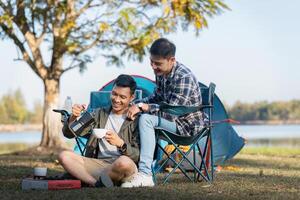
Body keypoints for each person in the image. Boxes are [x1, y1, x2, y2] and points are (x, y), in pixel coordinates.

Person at [123, 38, 205, 187]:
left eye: (158, 63)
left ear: (171, 60)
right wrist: (132, 104)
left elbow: (173, 110)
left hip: (187, 127)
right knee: (136, 114)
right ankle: (130, 167)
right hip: (174, 122)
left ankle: (145, 174)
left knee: (146, 119)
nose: (154, 67)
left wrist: (143, 107)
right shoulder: (161, 73)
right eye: (151, 62)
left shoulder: (183, 76)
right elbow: (157, 97)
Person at [58, 74, 140, 187]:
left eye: (122, 97)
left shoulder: (137, 119)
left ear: (132, 97)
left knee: (123, 163)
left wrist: (121, 144)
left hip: (123, 164)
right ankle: (96, 183)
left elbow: (139, 155)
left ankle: (89, 178)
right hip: (98, 164)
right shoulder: (99, 113)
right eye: (114, 94)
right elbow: (69, 134)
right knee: (64, 156)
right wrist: (73, 117)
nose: (116, 100)